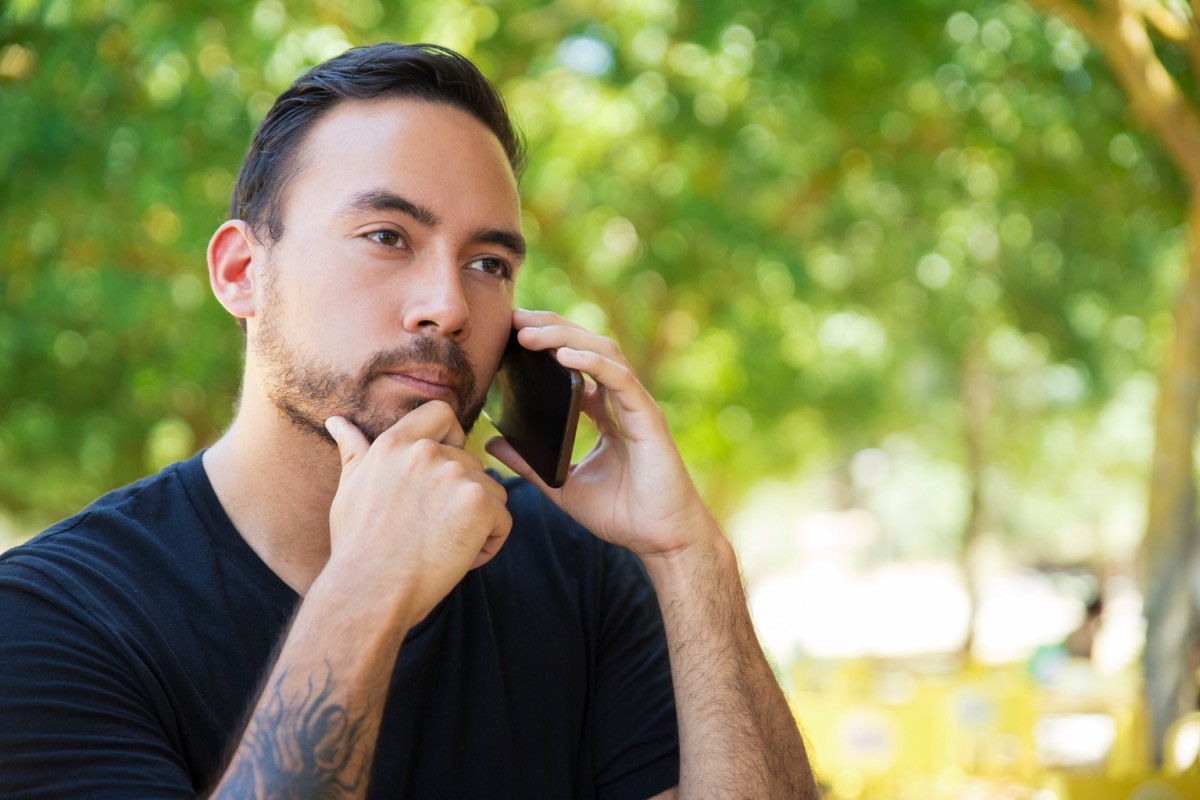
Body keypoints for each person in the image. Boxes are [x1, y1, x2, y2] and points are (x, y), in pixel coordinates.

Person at [0, 42, 817, 799]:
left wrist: (687, 556)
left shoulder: (584, 574)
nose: (449, 306)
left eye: (488, 263)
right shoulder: (50, 619)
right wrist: (370, 583)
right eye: (387, 236)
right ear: (243, 272)